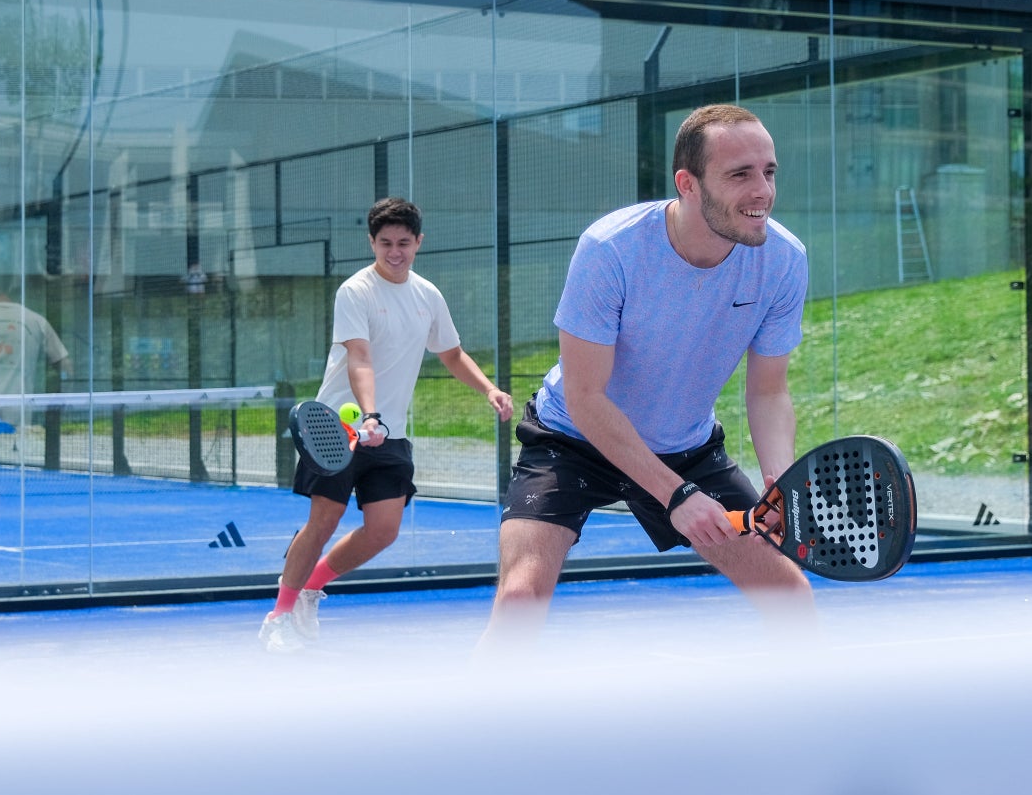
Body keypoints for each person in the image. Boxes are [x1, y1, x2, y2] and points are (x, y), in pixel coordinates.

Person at [482, 104, 814, 645]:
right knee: (520, 599)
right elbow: (587, 398)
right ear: (688, 183)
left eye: (769, 171)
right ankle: (475, 728)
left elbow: (770, 391)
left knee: (790, 597)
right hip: (573, 437)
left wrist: (780, 479)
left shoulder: (784, 259)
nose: (763, 191)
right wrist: (677, 496)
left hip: (686, 446)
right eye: (740, 174)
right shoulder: (610, 249)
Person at [260, 197, 513, 653]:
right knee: (324, 520)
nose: (394, 251)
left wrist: (489, 389)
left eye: (403, 243)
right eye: (385, 243)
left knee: (384, 530)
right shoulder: (355, 291)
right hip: (338, 427)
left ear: (418, 242)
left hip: (389, 433)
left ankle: (310, 589)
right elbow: (360, 358)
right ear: (372, 243)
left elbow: (451, 354)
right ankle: (278, 614)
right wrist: (368, 414)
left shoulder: (427, 295)